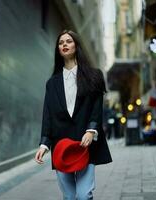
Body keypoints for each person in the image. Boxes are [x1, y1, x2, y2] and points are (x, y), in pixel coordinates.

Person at [34, 30, 112, 200]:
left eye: (68, 41)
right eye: (61, 42)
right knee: (69, 197)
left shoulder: (94, 76)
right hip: (61, 146)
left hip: (85, 143)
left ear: (76, 46)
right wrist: (44, 144)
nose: (64, 44)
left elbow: (96, 108)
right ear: (58, 49)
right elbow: (48, 115)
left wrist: (91, 131)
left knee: (84, 195)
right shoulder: (52, 83)